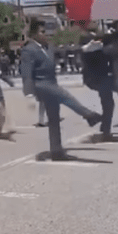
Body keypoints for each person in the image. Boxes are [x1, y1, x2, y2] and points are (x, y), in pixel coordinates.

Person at [20, 19, 102, 160]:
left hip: (52, 82)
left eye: (47, 31)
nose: (46, 34)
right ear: (34, 34)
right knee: (65, 95)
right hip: (41, 85)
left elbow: (65, 50)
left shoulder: (48, 47)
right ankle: (89, 115)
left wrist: (86, 48)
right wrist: (29, 95)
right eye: (43, 32)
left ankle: (56, 151)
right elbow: (26, 73)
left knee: (54, 120)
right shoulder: (28, 50)